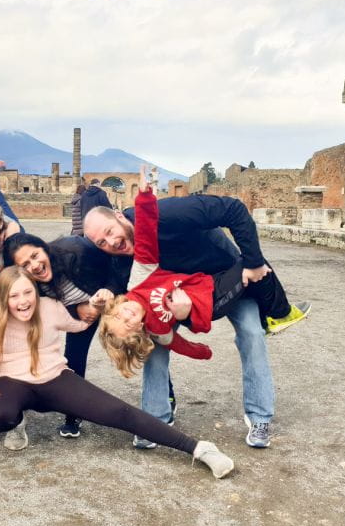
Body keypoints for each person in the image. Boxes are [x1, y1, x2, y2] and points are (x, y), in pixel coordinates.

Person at [0, 267, 234, 478]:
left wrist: (100, 306)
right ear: (3, 297)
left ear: (35, 292)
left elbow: (81, 322)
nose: (23, 302)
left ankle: (200, 449)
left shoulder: (48, 307)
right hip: (12, 384)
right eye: (14, 296)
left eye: (27, 293)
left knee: (119, 412)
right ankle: (17, 421)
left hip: (55, 379)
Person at [83, 182, 295, 449]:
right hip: (173, 299)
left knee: (252, 333)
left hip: (224, 279)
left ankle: (260, 417)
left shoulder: (170, 214)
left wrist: (252, 262)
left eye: (110, 232)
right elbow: (123, 285)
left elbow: (234, 209)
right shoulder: (121, 255)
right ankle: (156, 421)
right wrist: (106, 292)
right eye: (101, 242)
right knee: (154, 346)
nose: (111, 242)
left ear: (119, 216)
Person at [99, 186, 309, 380]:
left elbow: (144, 238)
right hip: (208, 302)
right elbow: (180, 345)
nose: (126, 316)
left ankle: (277, 315)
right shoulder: (157, 330)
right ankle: (160, 412)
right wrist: (201, 349)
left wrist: (144, 198)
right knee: (156, 354)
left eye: (119, 315)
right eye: (127, 324)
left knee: (253, 264)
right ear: (138, 331)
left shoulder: (137, 282)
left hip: (212, 275)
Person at [3, 232, 124, 438]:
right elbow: (52, 310)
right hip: (81, 313)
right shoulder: (31, 286)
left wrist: (109, 291)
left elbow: (117, 268)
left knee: (136, 343)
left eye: (35, 255)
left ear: (43, 247)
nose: (34, 265)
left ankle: (165, 396)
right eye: (24, 265)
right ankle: (73, 414)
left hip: (112, 299)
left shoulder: (76, 250)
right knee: (74, 357)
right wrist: (78, 308)